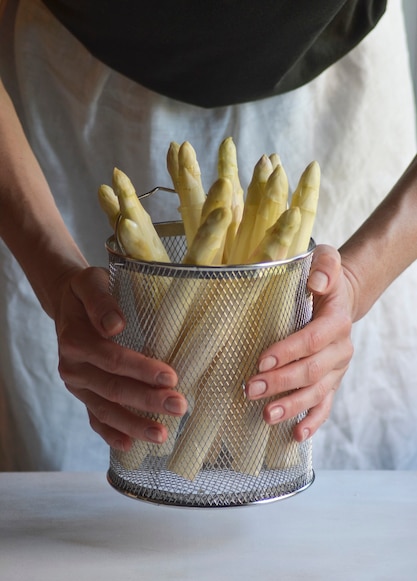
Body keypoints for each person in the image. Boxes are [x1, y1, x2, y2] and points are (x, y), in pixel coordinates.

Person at [0, 0, 416, 471]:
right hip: (66, 106)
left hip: (339, 107)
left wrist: (359, 279)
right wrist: (55, 276)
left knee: (339, 490)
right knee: (79, 512)